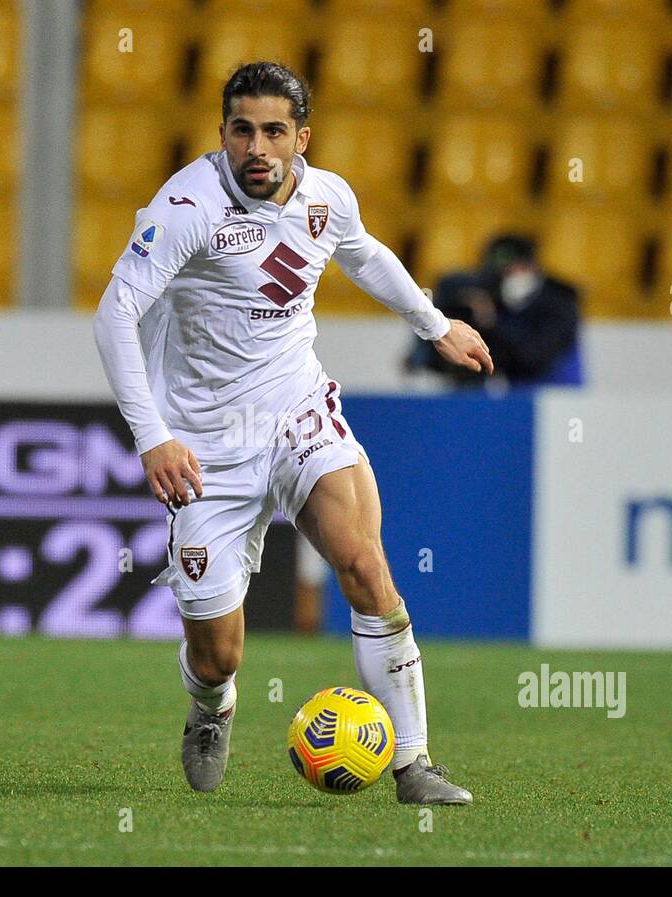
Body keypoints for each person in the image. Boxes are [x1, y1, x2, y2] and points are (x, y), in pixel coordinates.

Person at [93, 62, 490, 804]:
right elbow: (114, 316)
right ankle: (212, 709)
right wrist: (153, 437)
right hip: (204, 444)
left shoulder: (327, 196)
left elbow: (363, 251)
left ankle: (413, 764)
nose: (258, 147)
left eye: (275, 131)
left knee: (367, 569)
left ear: (301, 137)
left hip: (297, 411)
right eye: (242, 129)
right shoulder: (185, 206)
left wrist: (435, 326)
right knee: (218, 655)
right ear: (223, 134)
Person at [407, 234, 581, 387]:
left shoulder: (560, 302)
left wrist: (491, 321)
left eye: (514, 269)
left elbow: (534, 359)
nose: (509, 278)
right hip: (511, 396)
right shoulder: (498, 301)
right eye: (502, 274)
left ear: (532, 267)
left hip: (557, 397)